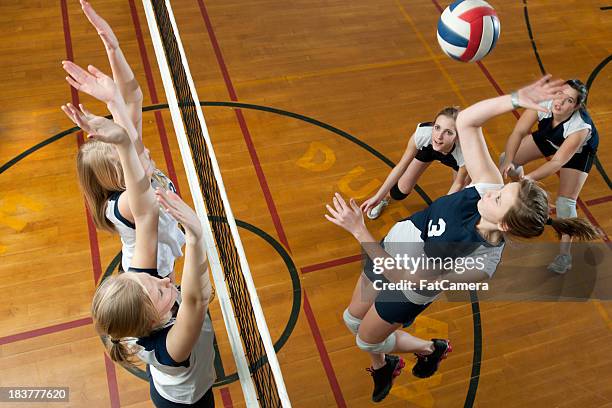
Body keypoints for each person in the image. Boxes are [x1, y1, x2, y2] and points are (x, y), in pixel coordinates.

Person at [325, 75, 599, 403]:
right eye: (504, 188)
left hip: (411, 282)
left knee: (366, 341)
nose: (495, 191)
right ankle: (401, 359)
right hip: (400, 241)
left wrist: (359, 231)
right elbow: (468, 120)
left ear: (507, 226)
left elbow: (409, 278)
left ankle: (428, 349)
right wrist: (514, 98)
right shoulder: (489, 186)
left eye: (501, 199)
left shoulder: (481, 264)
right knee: (351, 319)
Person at [62, 103, 216, 407]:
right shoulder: (170, 349)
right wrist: (196, 236)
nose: (165, 281)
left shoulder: (145, 289)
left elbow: (146, 216)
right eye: (159, 291)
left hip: (184, 363)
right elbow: (196, 300)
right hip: (187, 402)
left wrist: (120, 136)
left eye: (148, 280)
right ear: (152, 320)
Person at [65, 0, 184, 280]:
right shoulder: (123, 205)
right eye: (128, 154)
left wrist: (113, 47)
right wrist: (113, 103)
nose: (143, 149)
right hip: (150, 280)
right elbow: (127, 141)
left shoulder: (135, 168)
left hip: (161, 265)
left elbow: (134, 98)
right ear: (119, 175)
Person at [499, 78, 599, 274]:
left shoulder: (580, 127)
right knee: (505, 160)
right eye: (560, 93)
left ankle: (564, 256)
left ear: (577, 106)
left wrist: (530, 177)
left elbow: (557, 162)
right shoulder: (545, 103)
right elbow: (518, 132)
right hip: (549, 138)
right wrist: (510, 160)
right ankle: (523, 198)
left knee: (565, 203)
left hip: (576, 154)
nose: (560, 101)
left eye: (569, 100)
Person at [361, 107, 469, 220]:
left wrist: (439, 211)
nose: (439, 136)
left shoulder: (466, 152)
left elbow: (458, 184)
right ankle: (384, 199)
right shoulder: (423, 135)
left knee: (460, 195)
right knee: (401, 191)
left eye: (448, 132)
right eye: (437, 127)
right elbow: (401, 166)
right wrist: (378, 196)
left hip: (456, 160)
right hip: (428, 150)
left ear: (457, 137)